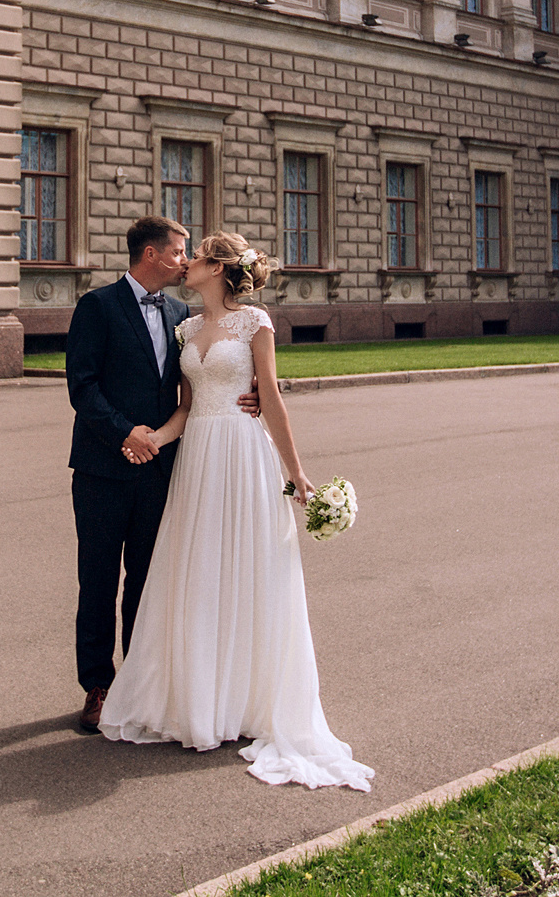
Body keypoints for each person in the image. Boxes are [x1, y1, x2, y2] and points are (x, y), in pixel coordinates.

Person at [96, 230, 372, 791]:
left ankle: (248, 701)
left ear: (219, 268)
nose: (187, 263)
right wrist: (152, 438)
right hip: (198, 458)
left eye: (196, 256)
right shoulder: (185, 328)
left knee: (249, 571)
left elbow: (270, 397)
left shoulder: (255, 323)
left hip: (244, 455)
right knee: (199, 573)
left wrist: (297, 473)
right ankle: (202, 699)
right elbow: (187, 407)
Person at [66, 216, 259, 733]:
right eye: (178, 252)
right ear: (150, 254)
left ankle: (139, 682)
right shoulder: (97, 306)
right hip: (102, 469)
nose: (185, 260)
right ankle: (97, 686)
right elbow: (82, 387)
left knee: (149, 580)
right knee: (98, 580)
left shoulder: (180, 315)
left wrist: (257, 390)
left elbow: (202, 379)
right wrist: (123, 433)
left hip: (161, 468)